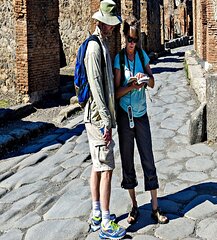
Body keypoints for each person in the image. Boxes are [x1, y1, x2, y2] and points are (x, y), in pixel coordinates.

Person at [114, 15, 169, 225]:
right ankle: (134, 205)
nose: (132, 44)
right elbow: (117, 93)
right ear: (124, 37)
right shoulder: (118, 59)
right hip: (124, 115)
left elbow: (153, 82)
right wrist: (131, 86)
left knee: (148, 158)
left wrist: (145, 80)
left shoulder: (142, 55)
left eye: (135, 40)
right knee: (128, 162)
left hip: (141, 115)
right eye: (129, 39)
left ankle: (155, 208)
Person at [84, 0, 126, 239]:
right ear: (101, 22)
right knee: (107, 167)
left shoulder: (102, 43)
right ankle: (106, 223)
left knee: (98, 166)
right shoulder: (94, 48)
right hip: (98, 117)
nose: (112, 28)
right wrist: (106, 121)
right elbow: (97, 88)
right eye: (110, 24)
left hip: (98, 115)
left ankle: (97, 213)